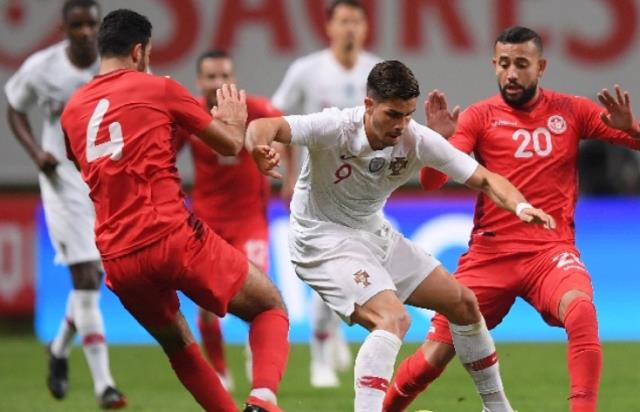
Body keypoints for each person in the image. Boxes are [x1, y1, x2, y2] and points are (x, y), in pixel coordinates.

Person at [247, 60, 556, 412]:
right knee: (392, 319)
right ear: (368, 105)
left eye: (408, 115)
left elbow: (484, 178)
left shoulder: (416, 139)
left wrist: (520, 206)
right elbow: (264, 126)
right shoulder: (334, 127)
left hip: (372, 233)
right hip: (321, 240)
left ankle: (497, 408)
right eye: (393, 114)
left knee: (464, 304)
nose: (401, 125)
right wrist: (258, 148)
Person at [384, 26, 640, 412]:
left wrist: (630, 129)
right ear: (494, 65)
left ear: (541, 67)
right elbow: (432, 182)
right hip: (490, 256)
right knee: (435, 355)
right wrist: (437, 145)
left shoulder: (572, 110)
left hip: (549, 253)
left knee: (582, 311)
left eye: (522, 64)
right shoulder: (479, 117)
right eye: (504, 64)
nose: (512, 73)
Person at [60, 9, 290, 412]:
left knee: (178, 344)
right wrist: (235, 122)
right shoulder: (160, 88)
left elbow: (87, 166)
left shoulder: (72, 110)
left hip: (117, 256)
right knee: (269, 305)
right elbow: (228, 145)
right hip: (169, 235)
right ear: (139, 51)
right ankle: (263, 400)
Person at [4, 0, 127, 408]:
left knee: (100, 277)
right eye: (77, 25)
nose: (85, 32)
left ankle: (58, 348)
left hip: (104, 182)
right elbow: (15, 107)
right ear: (64, 29)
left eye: (92, 24)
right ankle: (104, 386)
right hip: (61, 182)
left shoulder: (114, 67)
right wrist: (36, 152)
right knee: (87, 278)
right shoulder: (42, 68)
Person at [271, 0, 381, 388]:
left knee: (355, 273)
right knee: (328, 275)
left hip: (362, 192)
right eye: (343, 21)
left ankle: (331, 333)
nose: (350, 28)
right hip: (317, 190)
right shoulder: (306, 70)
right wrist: (287, 175)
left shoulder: (376, 71)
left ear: (365, 28)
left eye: (357, 21)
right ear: (329, 28)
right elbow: (278, 120)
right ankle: (320, 357)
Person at [176, 49, 296, 390]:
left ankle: (257, 359)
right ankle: (220, 372)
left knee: (259, 297)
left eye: (225, 76)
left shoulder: (256, 110)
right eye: (211, 77)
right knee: (207, 303)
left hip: (249, 221)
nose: (219, 83)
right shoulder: (190, 114)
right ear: (199, 81)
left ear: (234, 78)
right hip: (206, 222)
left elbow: (289, 135)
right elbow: (166, 153)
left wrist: (290, 179)